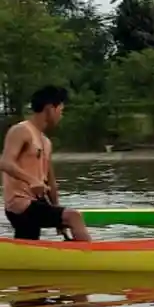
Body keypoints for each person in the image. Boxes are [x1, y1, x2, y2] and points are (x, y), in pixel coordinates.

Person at [1, 86, 91, 241]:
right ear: (50, 109)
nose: (61, 116)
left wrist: (58, 215)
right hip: (19, 205)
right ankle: (92, 262)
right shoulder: (20, 131)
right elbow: (5, 162)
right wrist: (31, 180)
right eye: (60, 110)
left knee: (27, 247)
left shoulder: (46, 142)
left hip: (36, 204)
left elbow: (51, 183)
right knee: (74, 216)